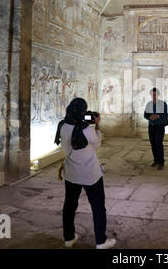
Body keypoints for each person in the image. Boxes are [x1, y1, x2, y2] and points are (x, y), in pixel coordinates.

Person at [54, 98, 116, 249]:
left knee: (69, 205)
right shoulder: (86, 129)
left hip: (71, 174)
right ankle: (100, 241)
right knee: (98, 207)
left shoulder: (62, 125)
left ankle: (69, 238)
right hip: (91, 174)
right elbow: (97, 144)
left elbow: (64, 144)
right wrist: (97, 125)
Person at [144, 88, 168, 170]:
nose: (154, 96)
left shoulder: (163, 104)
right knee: (153, 144)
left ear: (158, 95)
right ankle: (156, 160)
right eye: (152, 94)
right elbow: (145, 115)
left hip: (160, 126)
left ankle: (161, 162)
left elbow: (167, 114)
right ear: (150, 95)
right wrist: (150, 117)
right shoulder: (148, 104)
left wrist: (158, 116)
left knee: (159, 143)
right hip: (151, 126)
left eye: (155, 94)